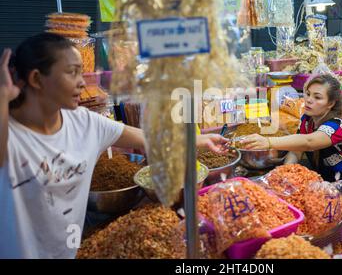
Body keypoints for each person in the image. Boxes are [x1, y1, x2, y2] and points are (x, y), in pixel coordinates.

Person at [0, 33, 228, 258]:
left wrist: (199, 140)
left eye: (81, 71)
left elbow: (150, 139)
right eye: (72, 72)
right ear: (36, 79)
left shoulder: (85, 122)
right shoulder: (11, 134)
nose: (82, 82)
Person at [240, 74, 342, 223]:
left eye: (317, 97)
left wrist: (268, 142)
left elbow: (308, 141)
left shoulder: (337, 127)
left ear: (330, 103)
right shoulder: (307, 120)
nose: (309, 100)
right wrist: (284, 175)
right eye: (308, 94)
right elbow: (296, 150)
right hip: (319, 192)